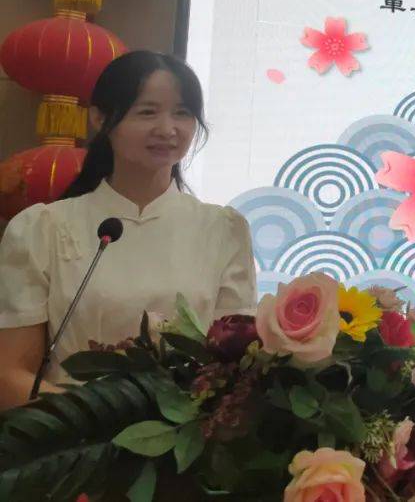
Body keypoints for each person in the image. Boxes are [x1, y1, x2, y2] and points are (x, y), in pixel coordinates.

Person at [0, 51, 256, 410]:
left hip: (186, 437)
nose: (167, 129)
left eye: (182, 113)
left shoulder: (224, 230)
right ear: (100, 118)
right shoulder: (43, 228)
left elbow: (236, 366)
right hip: (72, 435)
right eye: (147, 112)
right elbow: (10, 374)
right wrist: (104, 419)